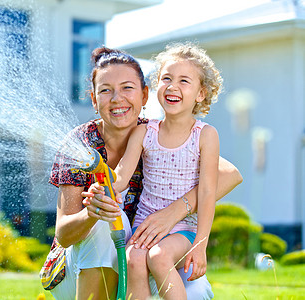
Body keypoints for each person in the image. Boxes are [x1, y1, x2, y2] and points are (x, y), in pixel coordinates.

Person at [47, 46, 242, 300]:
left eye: (127, 88)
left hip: (162, 241)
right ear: (94, 100)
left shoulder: (174, 133)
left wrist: (174, 212)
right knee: (110, 224)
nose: (117, 99)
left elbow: (230, 174)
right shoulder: (82, 143)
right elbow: (63, 234)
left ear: (144, 94)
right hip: (80, 269)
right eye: (105, 90)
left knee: (196, 291)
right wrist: (94, 206)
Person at [90, 42, 222, 299]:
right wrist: (103, 185)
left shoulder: (205, 135)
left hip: (183, 229)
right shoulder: (144, 132)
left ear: (201, 93)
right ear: (156, 86)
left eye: (184, 81)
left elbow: (207, 192)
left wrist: (201, 244)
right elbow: (120, 177)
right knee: (133, 260)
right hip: (144, 225)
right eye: (166, 78)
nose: (173, 86)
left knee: (159, 257)